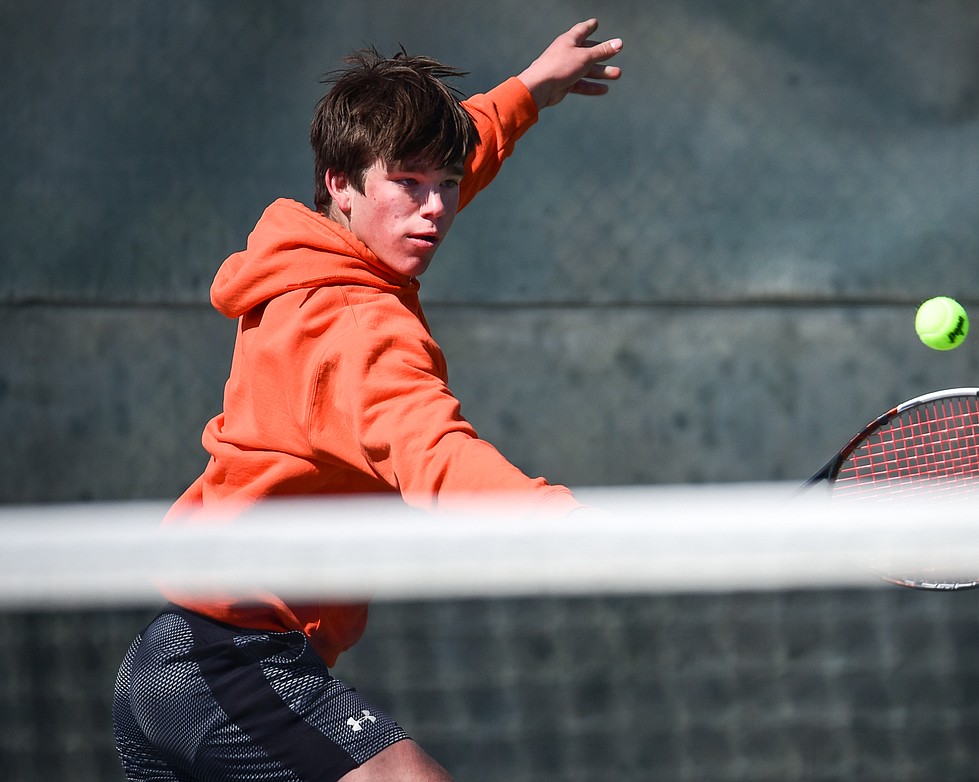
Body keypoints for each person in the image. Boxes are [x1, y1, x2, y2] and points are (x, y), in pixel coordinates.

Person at [112, 19, 622, 782]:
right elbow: (433, 452)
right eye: (409, 183)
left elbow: (451, 155)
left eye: (444, 184)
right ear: (339, 183)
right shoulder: (359, 328)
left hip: (170, 665)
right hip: (233, 668)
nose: (434, 209)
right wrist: (573, 528)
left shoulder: (305, 255)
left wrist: (528, 92)